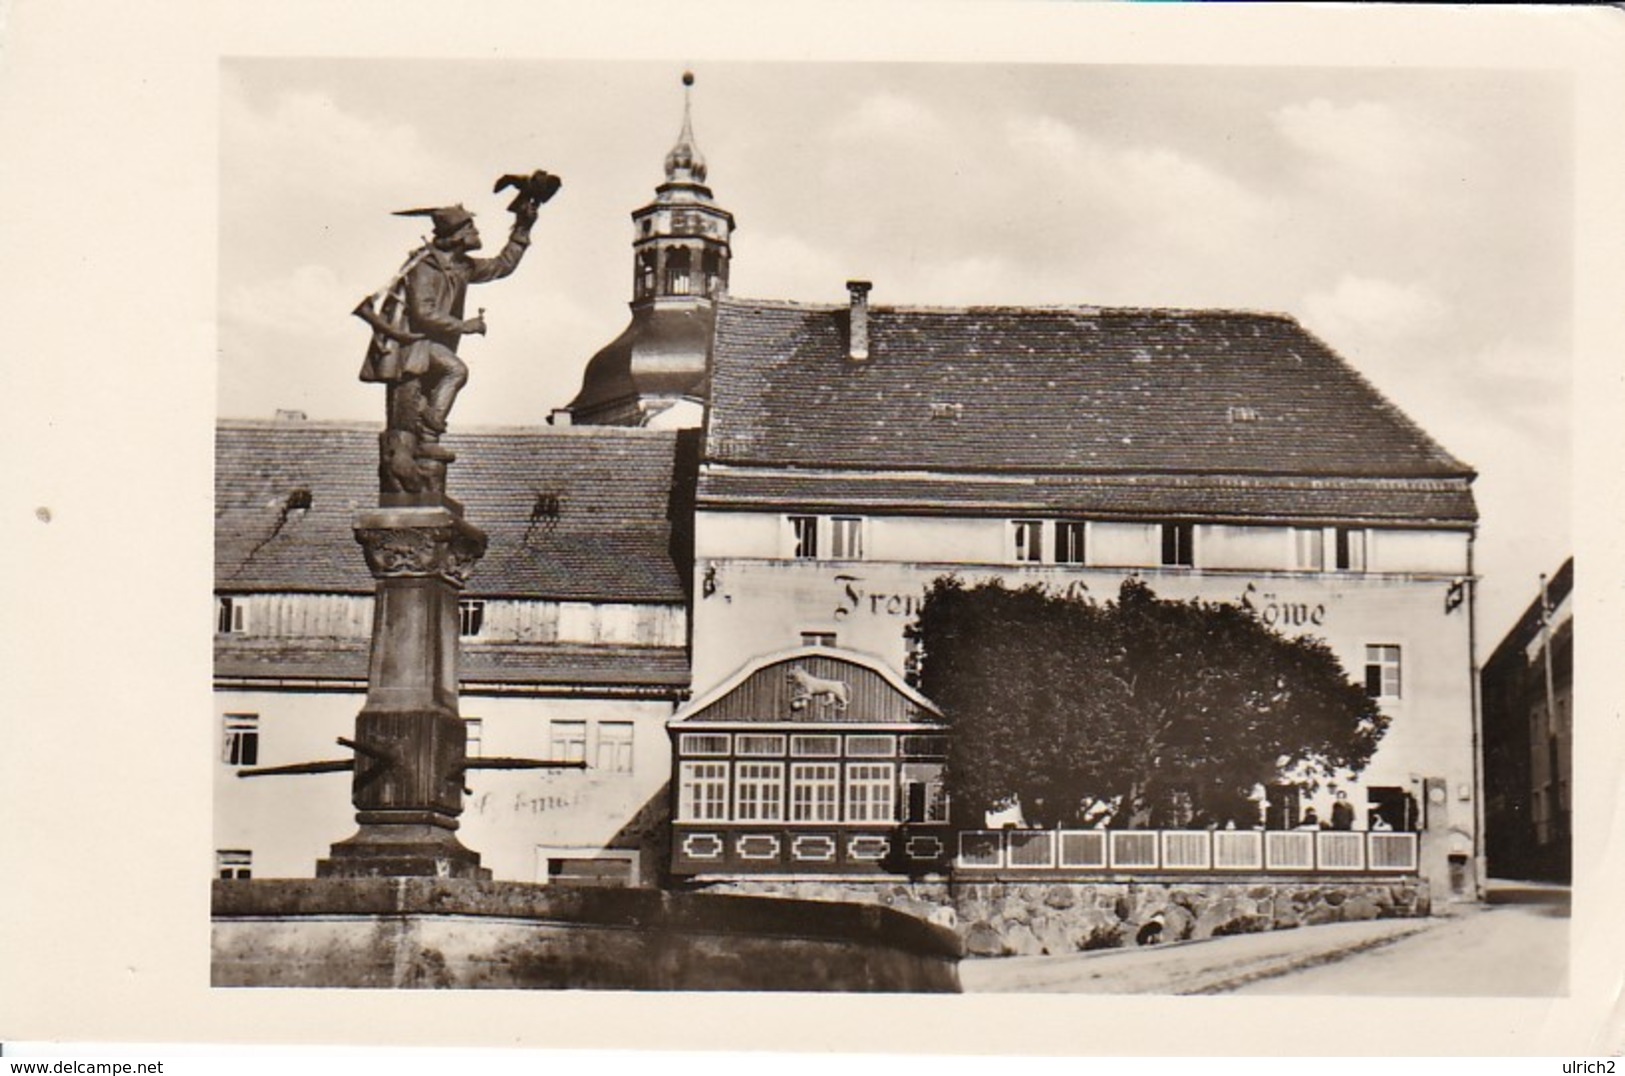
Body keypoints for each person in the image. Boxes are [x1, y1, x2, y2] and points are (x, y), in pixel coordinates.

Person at [360, 198, 538, 462]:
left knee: (441, 382)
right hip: (413, 345)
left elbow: (501, 266)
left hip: (430, 345)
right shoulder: (425, 265)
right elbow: (423, 312)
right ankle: (428, 434)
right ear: (456, 236)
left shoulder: (461, 266)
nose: (476, 233)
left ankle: (426, 437)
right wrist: (464, 326)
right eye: (471, 229)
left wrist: (522, 228)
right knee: (456, 370)